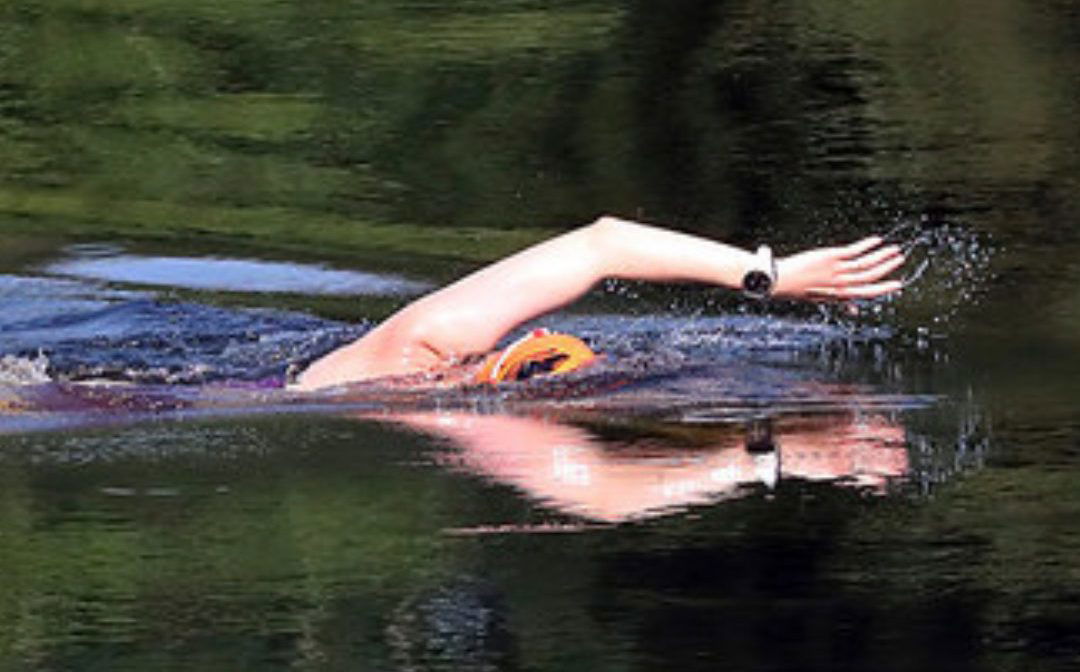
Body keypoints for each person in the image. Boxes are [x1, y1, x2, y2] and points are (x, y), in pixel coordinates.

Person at [293, 216, 905, 390]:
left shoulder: (430, 339)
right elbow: (606, 500)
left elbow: (604, 242)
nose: (537, 331)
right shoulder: (433, 385)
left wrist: (769, 276)